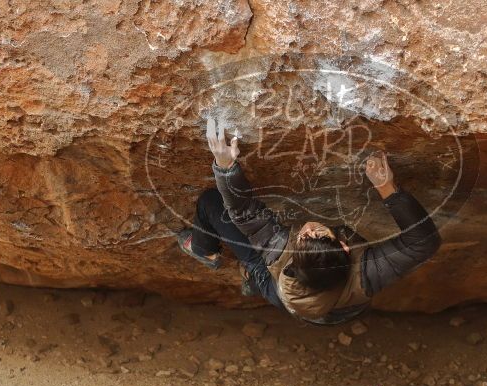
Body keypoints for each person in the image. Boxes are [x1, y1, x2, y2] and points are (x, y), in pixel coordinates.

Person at [176, 117, 441, 325]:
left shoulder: (280, 253)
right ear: (345, 248)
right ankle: (251, 279)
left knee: (212, 203)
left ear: (295, 254)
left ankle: (208, 253)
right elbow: (423, 243)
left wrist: (225, 167)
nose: (310, 228)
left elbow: (245, 212)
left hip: (279, 290)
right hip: (339, 309)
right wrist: (386, 187)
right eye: (320, 235)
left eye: (305, 237)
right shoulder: (367, 274)